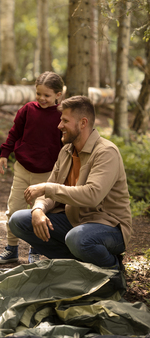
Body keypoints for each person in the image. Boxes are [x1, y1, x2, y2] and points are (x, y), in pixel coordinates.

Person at [9, 95, 132, 270]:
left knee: (77, 239)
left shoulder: (106, 152)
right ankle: (79, 266)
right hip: (74, 220)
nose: (59, 126)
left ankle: (112, 270)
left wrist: (47, 188)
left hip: (108, 226)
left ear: (83, 123)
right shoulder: (66, 150)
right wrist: (38, 209)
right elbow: (49, 192)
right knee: (19, 221)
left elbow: (91, 195)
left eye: (65, 121)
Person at [0, 71, 64, 264]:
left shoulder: (61, 116)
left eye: (46, 95)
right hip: (23, 168)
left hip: (47, 174)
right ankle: (11, 248)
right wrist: (5, 154)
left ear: (58, 94)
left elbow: (66, 145)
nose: (41, 98)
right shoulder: (27, 109)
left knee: (39, 212)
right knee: (13, 208)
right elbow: (14, 132)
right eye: (38, 93)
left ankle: (35, 250)